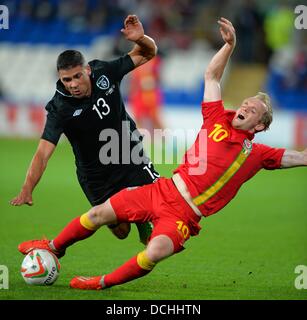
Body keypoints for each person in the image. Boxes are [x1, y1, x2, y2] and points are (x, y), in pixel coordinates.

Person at [18, 18, 307, 290]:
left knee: (154, 251)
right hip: (160, 189)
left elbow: (300, 157)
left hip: (183, 212)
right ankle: (53, 246)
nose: (244, 107)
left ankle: (100, 282)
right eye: (245, 103)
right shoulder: (216, 117)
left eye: (253, 110)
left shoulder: (258, 153)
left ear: (259, 125)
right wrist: (229, 46)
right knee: (101, 216)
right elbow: (212, 76)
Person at [10, 15, 160, 244]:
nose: (72, 84)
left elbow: (148, 52)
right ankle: (134, 212)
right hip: (95, 174)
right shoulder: (59, 108)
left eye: (77, 76)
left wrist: (141, 39)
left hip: (127, 151)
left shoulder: (104, 72)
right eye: (66, 79)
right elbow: (42, 153)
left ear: (87, 70)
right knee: (121, 231)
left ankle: (144, 216)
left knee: (156, 198)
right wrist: (27, 188)